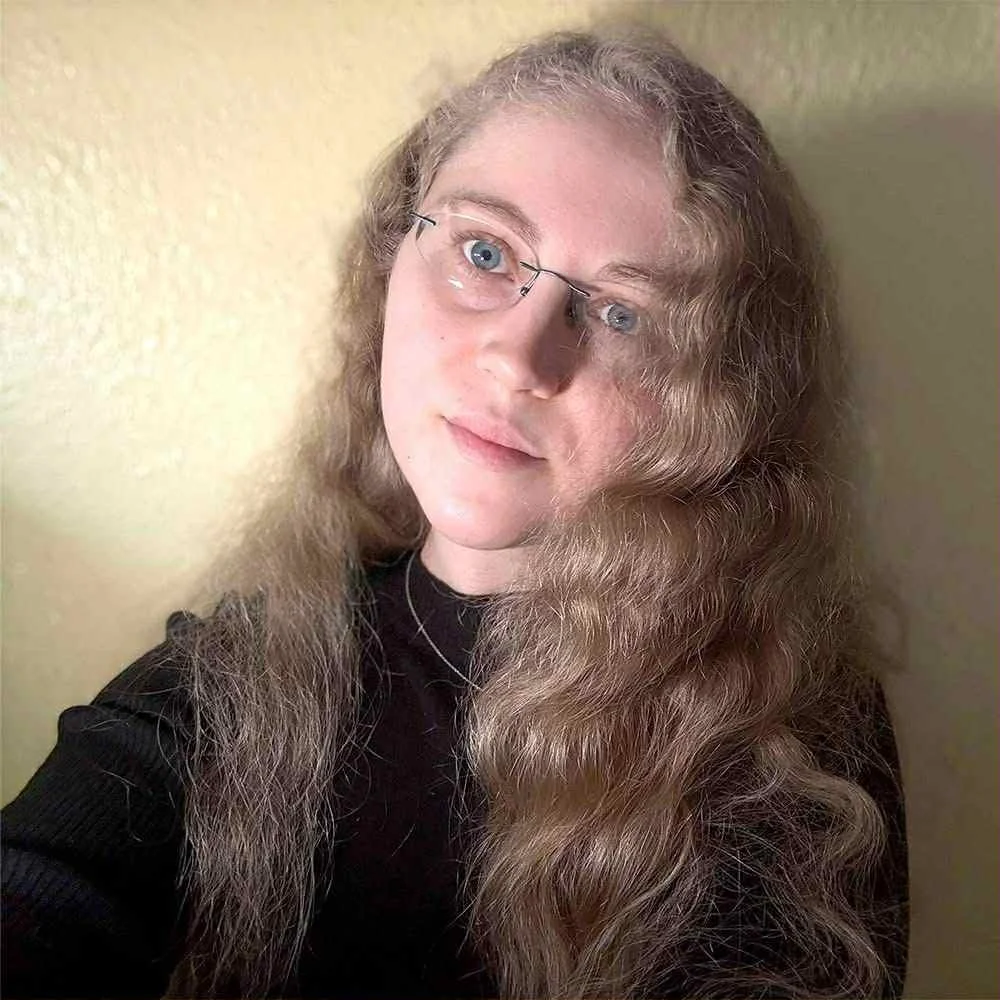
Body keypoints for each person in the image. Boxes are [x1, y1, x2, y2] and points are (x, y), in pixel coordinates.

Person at [2, 24, 908, 1000]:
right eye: (485, 250)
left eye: (622, 314)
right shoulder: (234, 682)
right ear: (392, 261)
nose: (521, 356)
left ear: (720, 404)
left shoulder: (782, 731)